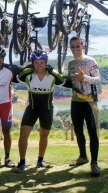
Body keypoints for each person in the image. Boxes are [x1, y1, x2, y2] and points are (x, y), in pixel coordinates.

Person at [12, 50, 65, 173]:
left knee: (44, 135)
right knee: (23, 134)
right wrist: (26, 68)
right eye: (36, 63)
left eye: (42, 62)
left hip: (47, 109)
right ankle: (22, 163)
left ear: (46, 63)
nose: (39, 65)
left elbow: (62, 81)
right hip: (32, 109)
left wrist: (52, 71)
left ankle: (40, 160)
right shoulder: (29, 74)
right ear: (32, 63)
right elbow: (18, 77)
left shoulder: (52, 75)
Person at [65, 36, 101, 177]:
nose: (75, 49)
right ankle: (83, 157)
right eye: (73, 47)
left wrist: (84, 78)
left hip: (90, 102)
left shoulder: (90, 61)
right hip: (75, 102)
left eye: (78, 46)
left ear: (83, 46)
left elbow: (98, 80)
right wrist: (55, 77)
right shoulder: (71, 63)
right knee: (78, 132)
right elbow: (71, 82)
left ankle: (94, 163)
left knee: (92, 132)